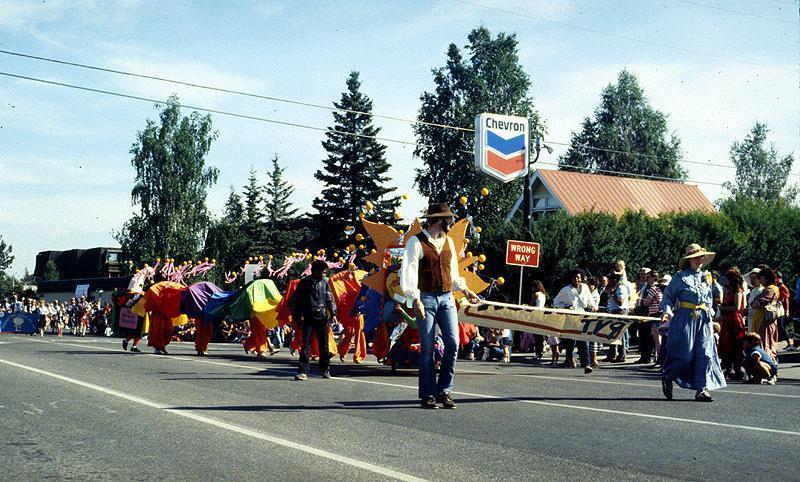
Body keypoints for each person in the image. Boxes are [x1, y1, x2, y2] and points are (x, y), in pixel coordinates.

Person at [400, 202, 479, 409]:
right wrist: (415, 298)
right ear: (439, 220)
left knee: (453, 343)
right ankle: (428, 394)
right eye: (449, 219)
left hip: (446, 297)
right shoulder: (416, 242)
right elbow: (408, 273)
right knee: (427, 348)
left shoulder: (449, 242)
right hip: (425, 297)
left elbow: (453, 274)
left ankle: (445, 390)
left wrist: (466, 290)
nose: (451, 223)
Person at [660, 244, 726, 402]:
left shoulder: (707, 277)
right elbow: (668, 297)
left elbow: (709, 299)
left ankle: (702, 389)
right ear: (689, 260)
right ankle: (668, 376)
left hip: (703, 319)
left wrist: (710, 313)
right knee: (684, 355)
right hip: (685, 318)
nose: (700, 260)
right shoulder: (680, 277)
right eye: (696, 257)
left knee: (705, 354)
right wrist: (667, 312)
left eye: (702, 257)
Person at [290, 259, 339, 380]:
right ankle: (303, 371)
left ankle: (325, 369)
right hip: (308, 316)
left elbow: (330, 299)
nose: (324, 274)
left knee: (324, 345)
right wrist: (297, 316)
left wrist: (333, 312)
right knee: (305, 344)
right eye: (323, 272)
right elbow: (296, 301)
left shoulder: (325, 283)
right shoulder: (304, 283)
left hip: (322, 317)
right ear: (315, 271)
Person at [553, 269, 597, 374]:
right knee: (570, 342)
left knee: (583, 341)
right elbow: (556, 302)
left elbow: (590, 302)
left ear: (581, 278)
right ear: (571, 279)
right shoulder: (566, 290)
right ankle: (569, 359)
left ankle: (586, 364)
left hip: (582, 317)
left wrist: (593, 307)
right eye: (574, 277)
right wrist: (565, 307)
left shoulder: (585, 288)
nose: (576, 279)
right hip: (571, 318)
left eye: (578, 277)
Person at [717, 268, 746, 380]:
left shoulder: (738, 291)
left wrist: (723, 308)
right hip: (727, 319)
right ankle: (729, 368)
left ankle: (738, 370)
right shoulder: (728, 290)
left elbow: (737, 307)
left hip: (734, 320)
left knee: (736, 345)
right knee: (726, 344)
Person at [750, 268, 780, 360]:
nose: (759, 280)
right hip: (764, 320)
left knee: (766, 345)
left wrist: (755, 300)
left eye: (761, 277)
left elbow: (754, 305)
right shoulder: (772, 288)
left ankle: (769, 368)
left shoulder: (769, 290)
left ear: (766, 278)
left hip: (765, 321)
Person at [635, 270, 662, 364]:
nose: (647, 279)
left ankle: (659, 359)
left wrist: (643, 300)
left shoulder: (653, 288)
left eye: (649, 277)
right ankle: (658, 358)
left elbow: (646, 302)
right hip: (658, 313)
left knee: (657, 339)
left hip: (653, 314)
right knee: (657, 338)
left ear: (654, 278)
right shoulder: (660, 287)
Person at [603, 273, 629, 363]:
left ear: (615, 280)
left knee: (620, 335)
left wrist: (612, 294)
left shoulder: (621, 288)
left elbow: (620, 302)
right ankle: (611, 354)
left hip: (620, 312)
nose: (609, 282)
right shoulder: (614, 288)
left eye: (610, 280)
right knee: (612, 335)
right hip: (613, 311)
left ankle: (622, 355)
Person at [527, 281, 547, 361]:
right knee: (540, 335)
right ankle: (541, 351)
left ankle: (538, 353)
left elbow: (531, 305)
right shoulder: (543, 294)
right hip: (541, 315)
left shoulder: (535, 294)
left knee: (536, 336)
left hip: (535, 316)